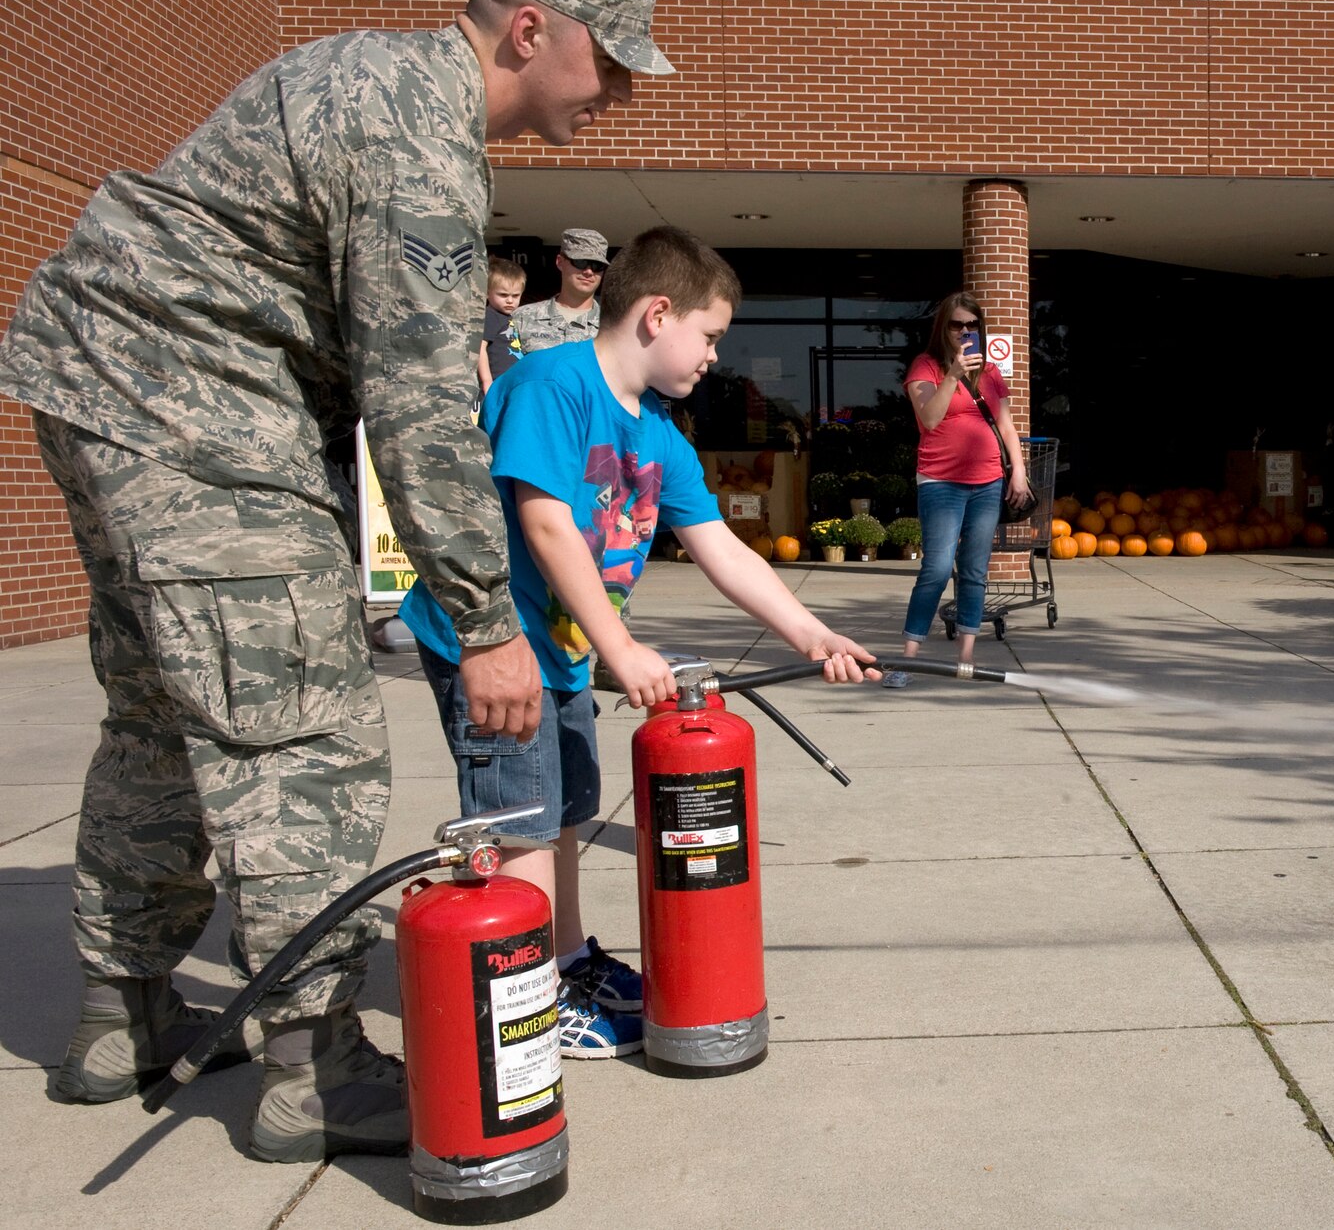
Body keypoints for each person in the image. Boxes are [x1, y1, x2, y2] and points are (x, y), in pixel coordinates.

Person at [0, 0, 674, 1163]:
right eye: (612, 59)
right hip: (199, 413)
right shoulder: (419, 136)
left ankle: (119, 1013)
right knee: (305, 730)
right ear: (530, 29)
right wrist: (488, 623)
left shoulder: (364, 71)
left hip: (98, 386)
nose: (623, 91)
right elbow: (418, 404)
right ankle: (312, 1067)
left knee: (162, 709)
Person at [399, 224, 880, 1055]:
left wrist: (811, 632)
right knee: (520, 823)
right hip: (496, 648)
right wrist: (620, 649)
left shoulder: (658, 433)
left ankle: (566, 959)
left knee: (563, 814)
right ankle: (531, 998)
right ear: (659, 314)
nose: (715, 356)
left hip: (563, 655)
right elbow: (546, 523)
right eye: (710, 334)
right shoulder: (552, 385)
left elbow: (721, 547)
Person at [882, 293, 1032, 688]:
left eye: (972, 325)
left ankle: (966, 657)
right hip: (940, 481)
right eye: (957, 324)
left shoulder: (990, 371)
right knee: (935, 569)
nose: (965, 331)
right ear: (943, 328)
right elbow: (929, 419)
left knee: (974, 570)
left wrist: (1018, 471)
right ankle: (906, 660)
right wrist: (951, 375)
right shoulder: (926, 366)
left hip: (987, 481)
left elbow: (1006, 426)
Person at [511, 228, 608, 352]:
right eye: (581, 262)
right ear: (560, 262)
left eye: (597, 265)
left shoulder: (613, 325)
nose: (589, 271)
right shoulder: (522, 318)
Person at [477, 255, 528, 396]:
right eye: (503, 295)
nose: (510, 300)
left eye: (515, 295)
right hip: (496, 384)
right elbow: (480, 347)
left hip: (512, 383)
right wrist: (487, 381)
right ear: (487, 293)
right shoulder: (490, 315)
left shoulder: (511, 317)